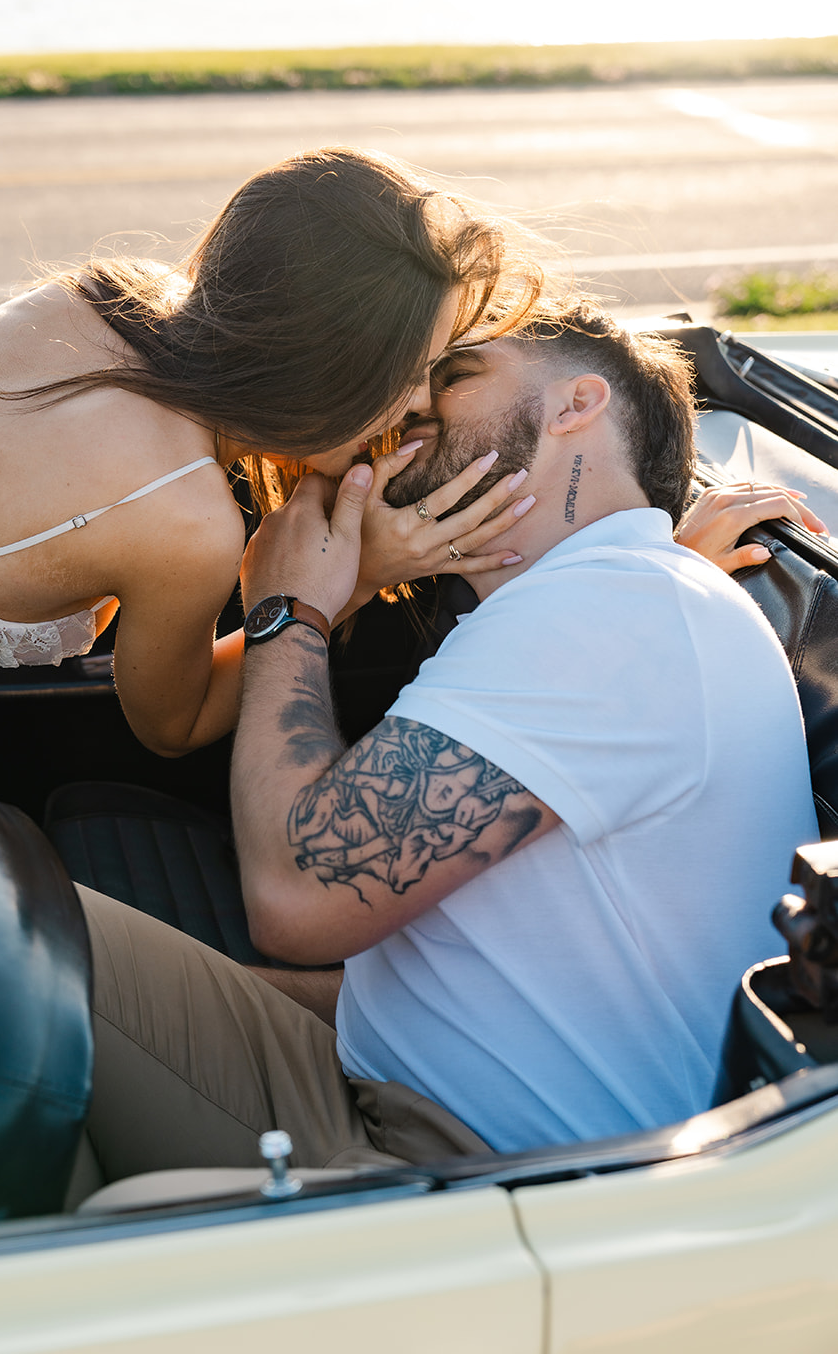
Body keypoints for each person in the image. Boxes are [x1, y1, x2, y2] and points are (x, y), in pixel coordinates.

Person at [76, 292, 820, 1183]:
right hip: (408, 1098)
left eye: (454, 377)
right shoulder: (613, 602)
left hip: (490, 1172)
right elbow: (451, 972)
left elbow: (297, 896)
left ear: (575, 406)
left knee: (10, 935)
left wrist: (290, 609)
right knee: (31, 940)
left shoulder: (620, 605)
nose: (410, 409)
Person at [0, 147, 548, 756]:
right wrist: (359, 575)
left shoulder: (104, 297)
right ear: (324, 374)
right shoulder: (179, 518)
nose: (419, 403)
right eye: (409, 374)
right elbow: (172, 728)